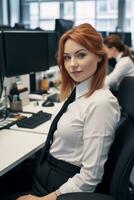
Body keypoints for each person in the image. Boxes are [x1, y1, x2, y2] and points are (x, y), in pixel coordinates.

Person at [14, 23, 120, 200]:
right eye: (67, 57)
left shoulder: (101, 103)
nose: (72, 65)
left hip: (61, 186)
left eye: (81, 55)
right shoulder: (78, 91)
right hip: (46, 173)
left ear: (99, 56)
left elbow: (90, 177)